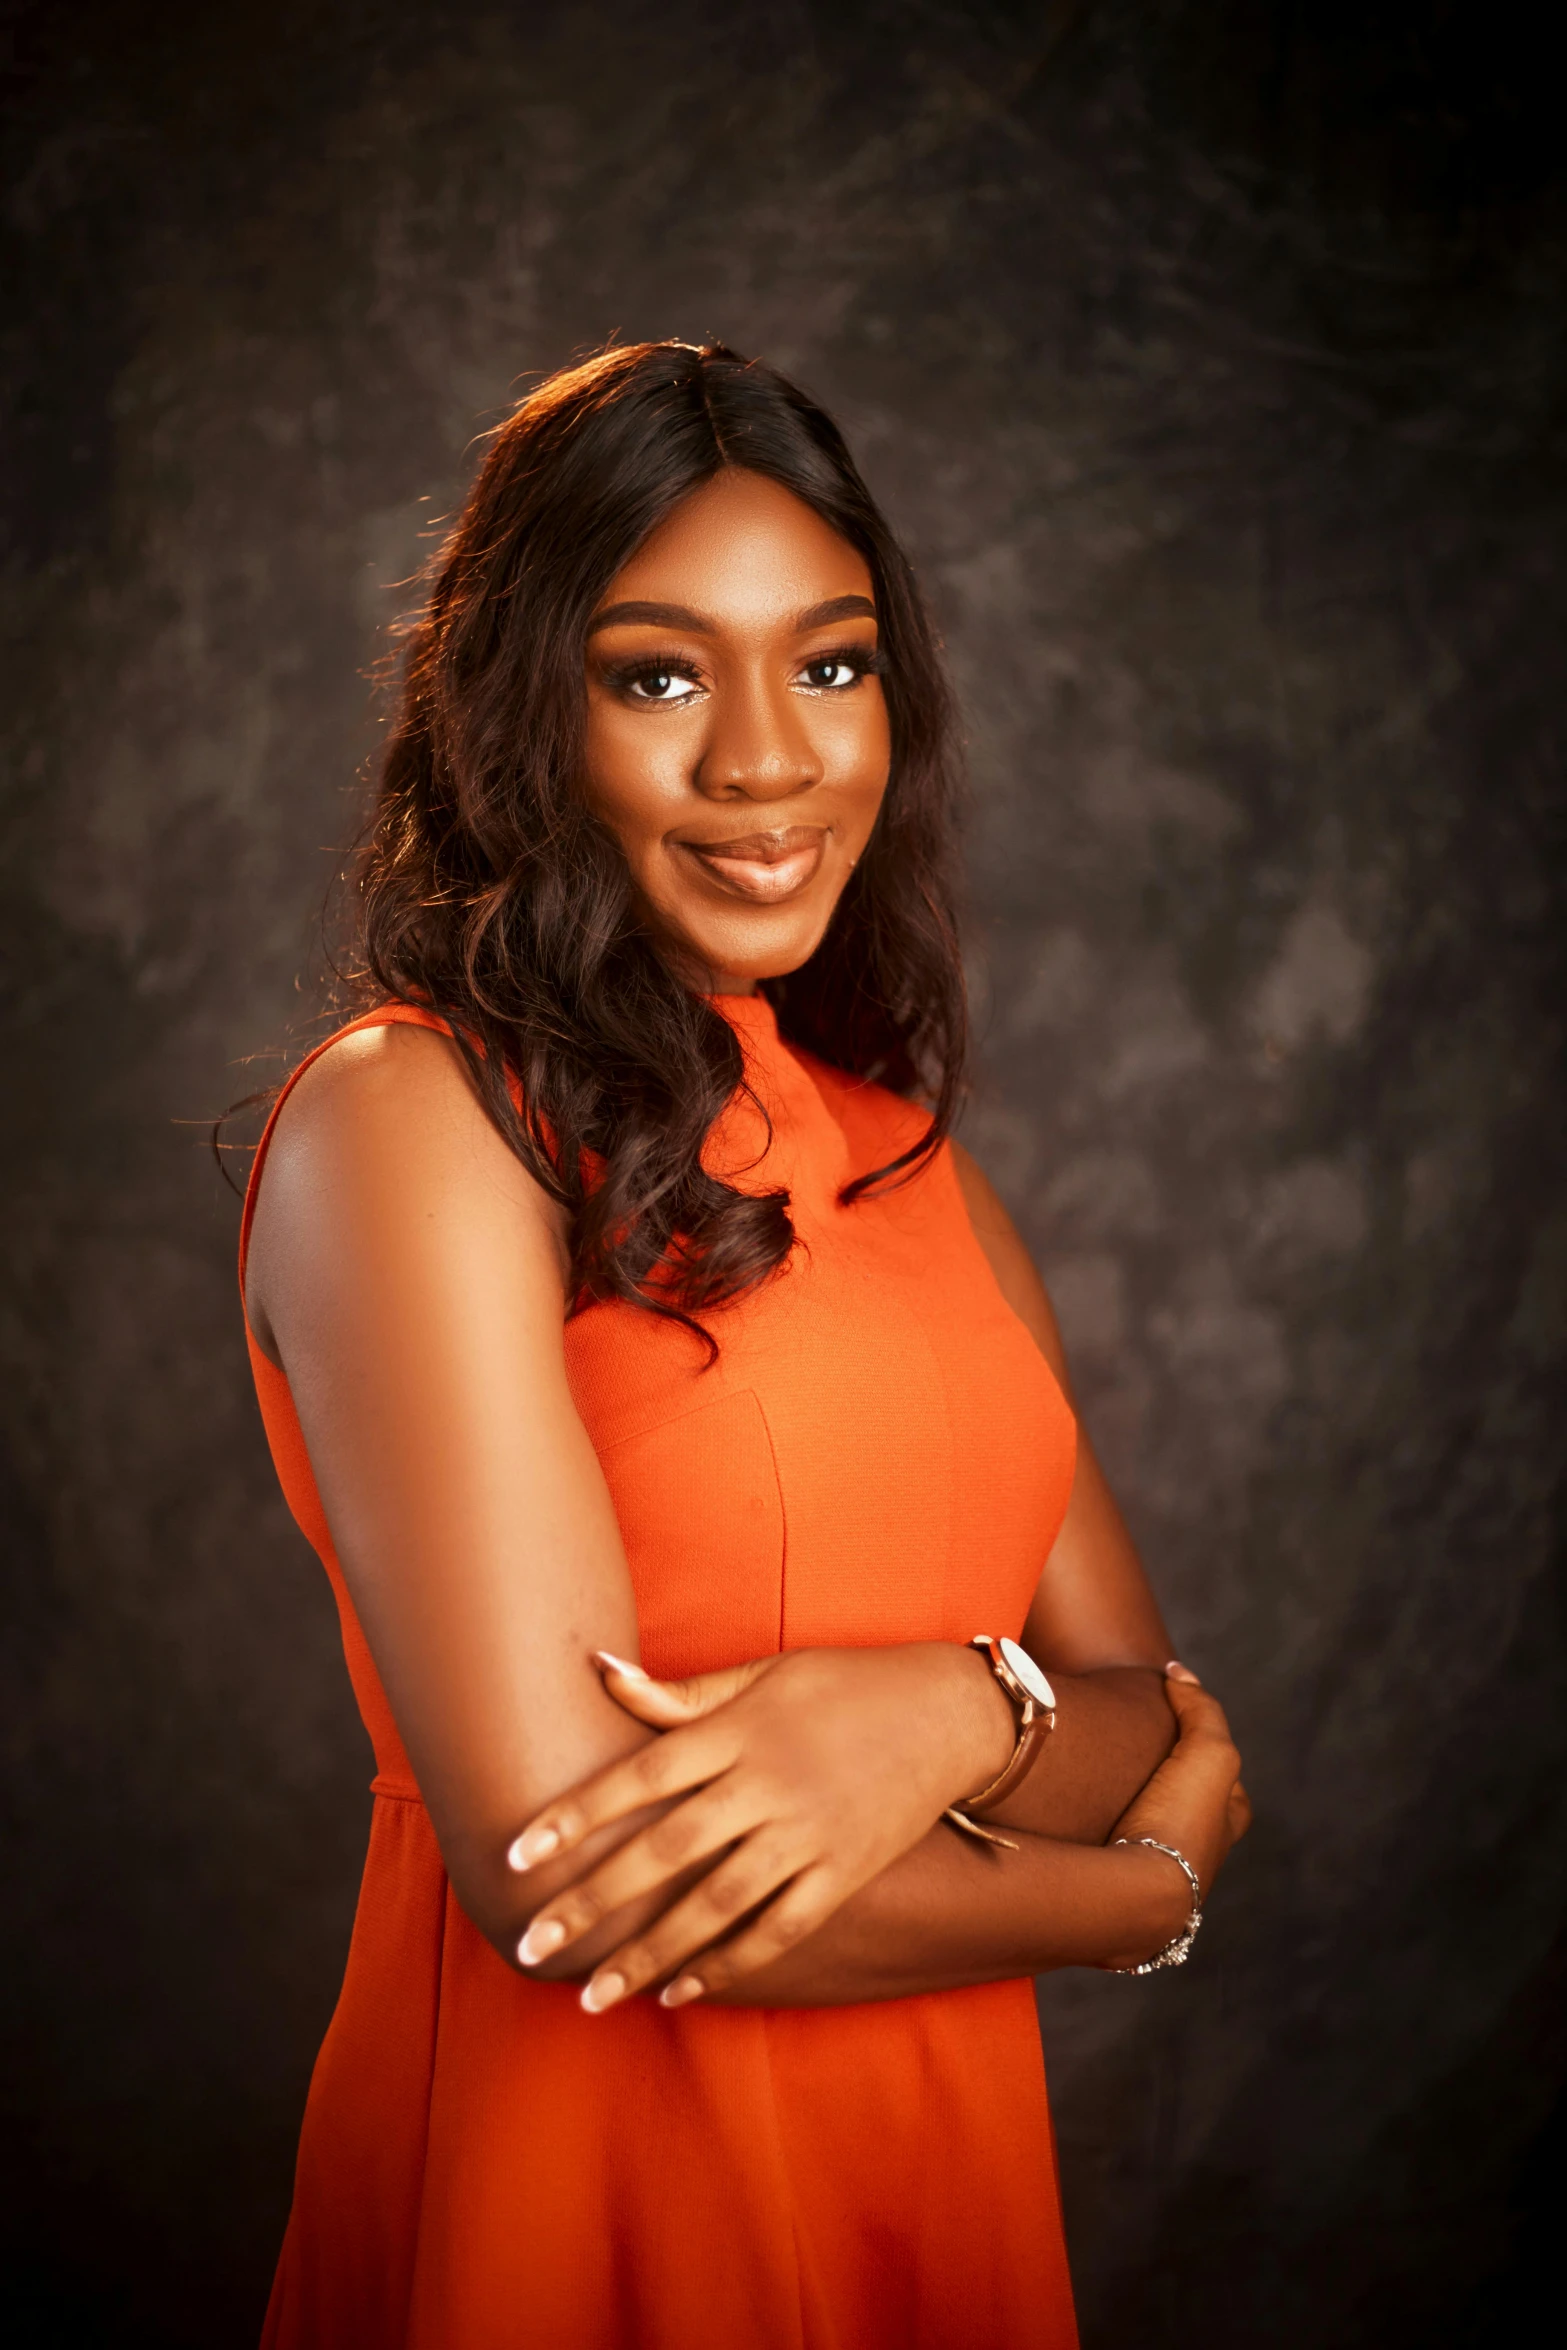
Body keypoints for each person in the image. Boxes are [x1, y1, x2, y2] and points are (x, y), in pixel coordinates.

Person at [239, 339, 1249, 2350]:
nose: (771, 762)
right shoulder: (410, 1119)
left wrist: (963, 1707)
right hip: (568, 2201)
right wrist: (1129, 1888)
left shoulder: (907, 1157)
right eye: (661, 674)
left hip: (937, 2205)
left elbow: (1151, 1695)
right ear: (523, 707)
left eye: (836, 661)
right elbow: (580, 1879)